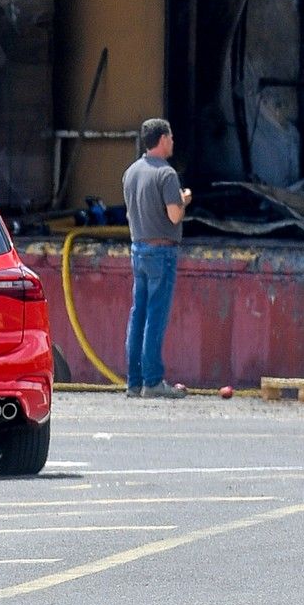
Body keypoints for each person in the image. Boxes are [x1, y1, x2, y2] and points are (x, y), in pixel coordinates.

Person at [122, 118, 192, 398]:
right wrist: (184, 199)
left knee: (137, 315)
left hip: (137, 248)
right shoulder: (167, 174)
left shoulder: (131, 172)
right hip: (161, 252)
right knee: (155, 316)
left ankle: (134, 382)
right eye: (171, 137)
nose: (173, 142)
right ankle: (152, 381)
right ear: (162, 139)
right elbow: (174, 214)